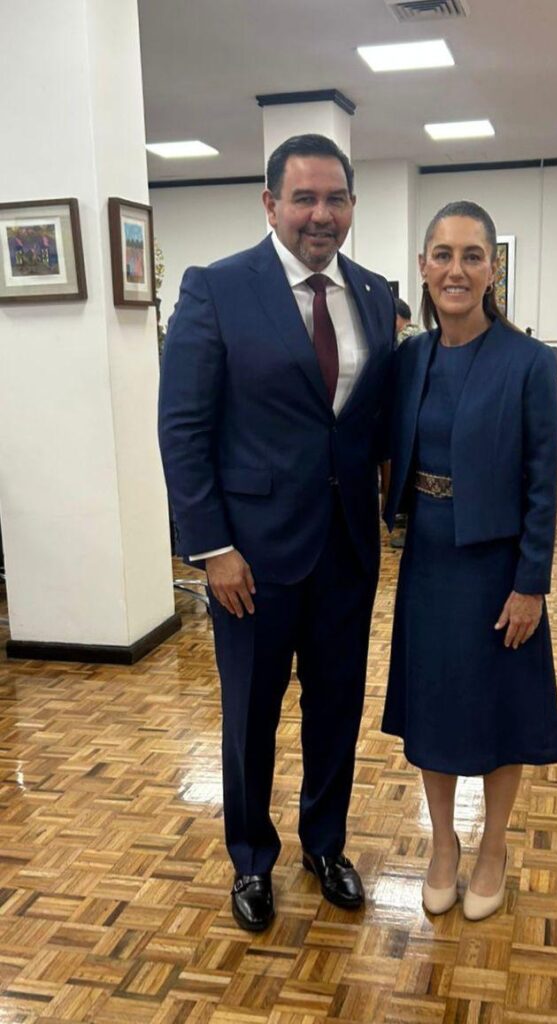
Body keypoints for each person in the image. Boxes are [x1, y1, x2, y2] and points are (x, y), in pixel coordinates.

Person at [158, 133, 395, 932]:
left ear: (352, 206)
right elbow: (183, 428)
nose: (320, 215)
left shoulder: (373, 292)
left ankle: (324, 845)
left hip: (346, 549)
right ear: (270, 204)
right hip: (250, 559)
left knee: (336, 708)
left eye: (335, 199)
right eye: (304, 198)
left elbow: (370, 422)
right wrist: (212, 547)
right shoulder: (218, 288)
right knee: (250, 715)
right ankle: (251, 860)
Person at [383, 201, 557, 921]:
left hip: (495, 565)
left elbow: (542, 484)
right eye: (442, 254)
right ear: (423, 267)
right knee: (432, 705)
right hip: (428, 557)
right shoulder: (409, 359)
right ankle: (442, 844)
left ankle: (493, 845)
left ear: (493, 269)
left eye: (472, 255)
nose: (455, 269)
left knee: (500, 709)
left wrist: (531, 584)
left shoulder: (529, 363)